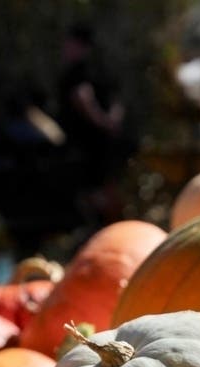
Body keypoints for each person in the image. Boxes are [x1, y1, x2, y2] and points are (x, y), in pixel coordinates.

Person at [56, 22, 134, 226]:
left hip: (87, 142)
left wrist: (102, 121)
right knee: (105, 186)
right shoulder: (102, 68)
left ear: (78, 45)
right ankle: (112, 225)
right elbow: (117, 101)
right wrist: (112, 123)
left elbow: (82, 98)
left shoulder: (78, 71)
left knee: (93, 190)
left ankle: (104, 227)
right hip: (105, 139)